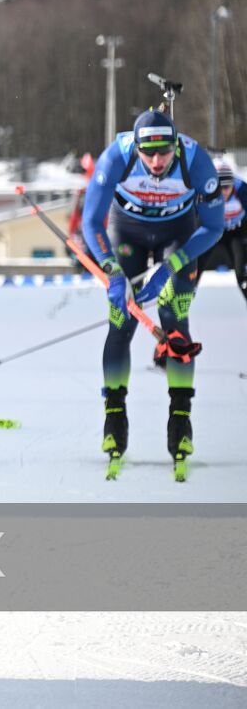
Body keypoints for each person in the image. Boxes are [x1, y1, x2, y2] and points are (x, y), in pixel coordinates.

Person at [80, 109, 225, 471]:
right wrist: (112, 271)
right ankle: (114, 417)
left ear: (176, 144)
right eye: (149, 154)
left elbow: (214, 228)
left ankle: (181, 419)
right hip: (126, 232)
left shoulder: (196, 161)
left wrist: (169, 269)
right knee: (121, 321)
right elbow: (90, 221)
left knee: (174, 318)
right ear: (138, 147)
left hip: (177, 236)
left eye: (164, 152)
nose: (157, 161)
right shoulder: (117, 155)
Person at [196, 160, 246, 308]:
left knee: (242, 274)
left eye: (227, 187)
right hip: (213, 231)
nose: (224, 191)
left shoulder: (242, 189)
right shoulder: (204, 191)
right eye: (220, 187)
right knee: (194, 267)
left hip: (236, 231)